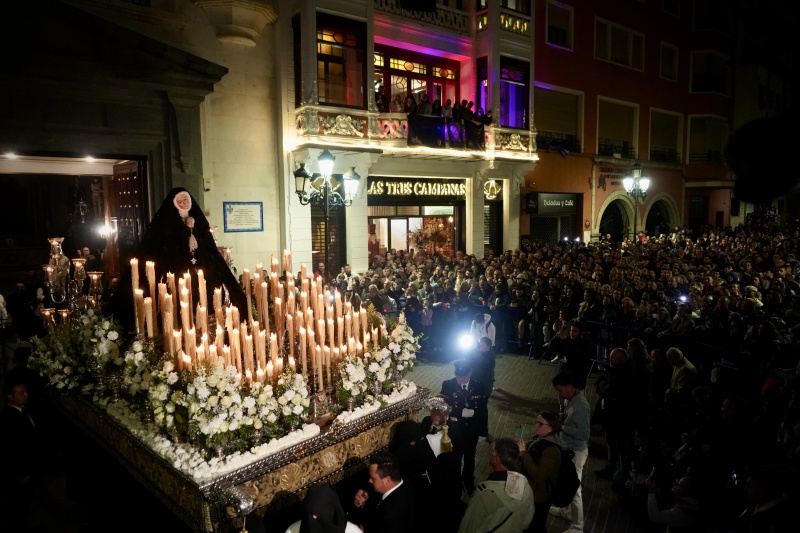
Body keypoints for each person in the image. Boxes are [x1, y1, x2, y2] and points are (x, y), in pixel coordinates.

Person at [458, 437, 534, 533]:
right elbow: (528, 517)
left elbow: (469, 527)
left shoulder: (484, 495)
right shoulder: (523, 481)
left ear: (496, 459)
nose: (489, 453)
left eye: (491, 450)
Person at [549, 371, 590, 533]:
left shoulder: (580, 406)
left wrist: (561, 427)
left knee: (574, 489)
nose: (558, 393)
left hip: (576, 451)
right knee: (568, 484)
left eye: (560, 389)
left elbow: (583, 434)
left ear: (570, 387)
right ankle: (567, 511)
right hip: (569, 449)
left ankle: (578, 526)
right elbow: (568, 418)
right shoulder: (572, 399)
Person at [0, 377, 42, 533]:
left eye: (26, 391)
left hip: (30, 467)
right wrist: (22, 473)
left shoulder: (22, 410)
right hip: (21, 472)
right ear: (10, 397)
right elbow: (10, 451)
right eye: (21, 393)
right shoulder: (8, 419)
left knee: (24, 503)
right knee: (18, 504)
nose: (26, 394)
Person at [441, 358, 489, 494]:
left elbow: (483, 411)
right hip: (455, 431)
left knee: (470, 458)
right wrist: (460, 412)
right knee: (455, 458)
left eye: (463, 376)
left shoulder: (478, 386)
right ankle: (455, 483)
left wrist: (483, 432)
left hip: (471, 431)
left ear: (470, 373)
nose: (459, 379)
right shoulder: (448, 385)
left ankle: (468, 481)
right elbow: (443, 407)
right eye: (458, 376)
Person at [516, 412, 565, 533]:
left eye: (540, 424)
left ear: (550, 428)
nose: (536, 426)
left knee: (535, 526)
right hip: (532, 491)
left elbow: (538, 474)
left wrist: (524, 453)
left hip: (539, 496)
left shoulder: (552, 450)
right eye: (536, 422)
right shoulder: (539, 439)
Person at [365, 451, 415, 533]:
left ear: (387, 480)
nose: (369, 481)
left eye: (373, 478)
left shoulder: (389, 516)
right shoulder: (408, 484)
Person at [285, 483, 361, 533]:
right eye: (310, 513)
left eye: (318, 514)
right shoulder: (292, 530)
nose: (313, 517)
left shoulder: (352, 531)